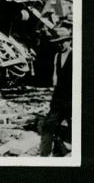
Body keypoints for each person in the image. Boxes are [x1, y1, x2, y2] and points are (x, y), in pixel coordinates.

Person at [39, 27, 73, 156]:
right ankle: (45, 154)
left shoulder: (76, 55)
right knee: (49, 124)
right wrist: (53, 100)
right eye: (58, 42)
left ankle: (69, 153)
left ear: (69, 41)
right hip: (58, 98)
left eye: (63, 41)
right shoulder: (57, 56)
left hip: (72, 97)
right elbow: (55, 79)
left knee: (73, 126)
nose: (60, 44)